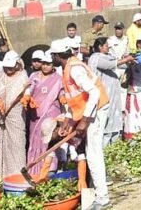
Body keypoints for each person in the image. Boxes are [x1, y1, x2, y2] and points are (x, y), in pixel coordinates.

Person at [51, 41, 110, 209]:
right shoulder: (67, 68)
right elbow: (76, 99)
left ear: (58, 55)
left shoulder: (75, 69)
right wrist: (68, 122)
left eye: (52, 55)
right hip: (89, 109)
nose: (51, 58)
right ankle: (101, 193)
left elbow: (94, 93)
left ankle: (102, 197)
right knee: (92, 152)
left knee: (93, 153)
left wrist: (84, 121)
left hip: (97, 109)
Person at [0, 51, 28, 178]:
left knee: (16, 145)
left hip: (15, 114)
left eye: (11, 66)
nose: (8, 69)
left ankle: (16, 177)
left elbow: (20, 94)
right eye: (6, 66)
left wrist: (7, 107)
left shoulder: (22, 76)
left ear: (17, 64)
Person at [22, 50, 63, 175]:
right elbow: (29, 88)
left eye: (48, 64)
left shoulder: (57, 78)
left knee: (50, 138)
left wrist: (63, 97)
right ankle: (34, 168)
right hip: (35, 113)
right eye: (43, 63)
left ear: (53, 65)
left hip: (51, 112)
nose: (45, 66)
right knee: (35, 138)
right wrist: (27, 96)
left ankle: (49, 168)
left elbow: (61, 91)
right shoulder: (34, 76)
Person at [88, 38, 133, 144]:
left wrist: (130, 60)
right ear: (100, 47)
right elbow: (110, 65)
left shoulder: (108, 56)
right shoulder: (96, 57)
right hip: (103, 95)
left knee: (115, 121)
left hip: (113, 96)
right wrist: (125, 60)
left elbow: (119, 63)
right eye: (106, 45)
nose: (108, 47)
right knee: (105, 123)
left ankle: (115, 144)